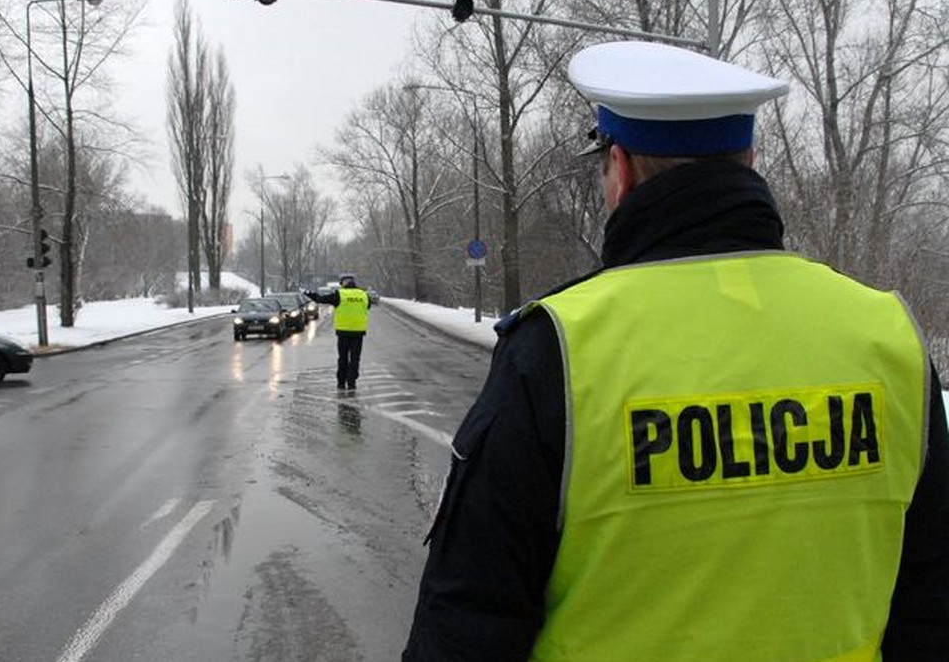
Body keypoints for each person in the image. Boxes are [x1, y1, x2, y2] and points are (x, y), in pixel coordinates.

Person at [402, 41, 949, 662]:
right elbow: (929, 606)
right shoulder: (888, 336)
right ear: (750, 159)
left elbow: (468, 620)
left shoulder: (559, 347)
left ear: (622, 169)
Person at [305, 274, 372, 389]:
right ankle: (352, 382)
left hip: (343, 332)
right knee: (355, 358)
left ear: (342, 283)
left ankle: (341, 382)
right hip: (358, 332)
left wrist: (309, 294)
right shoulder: (364, 295)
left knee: (343, 357)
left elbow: (321, 299)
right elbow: (368, 306)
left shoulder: (339, 295)